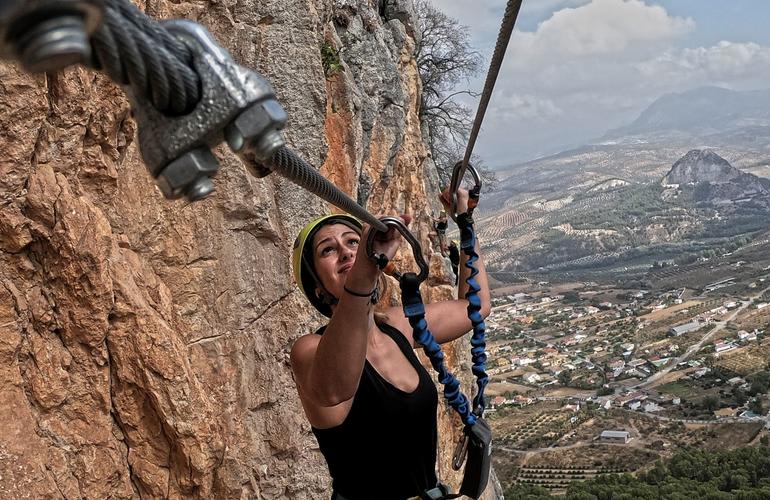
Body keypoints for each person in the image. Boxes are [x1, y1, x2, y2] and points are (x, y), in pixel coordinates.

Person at [289, 189, 491, 500]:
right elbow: (334, 388)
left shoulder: (397, 326)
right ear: (317, 289)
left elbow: (473, 307)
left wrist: (465, 222)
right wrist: (363, 272)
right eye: (328, 250)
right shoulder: (309, 350)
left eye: (353, 242)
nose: (345, 252)